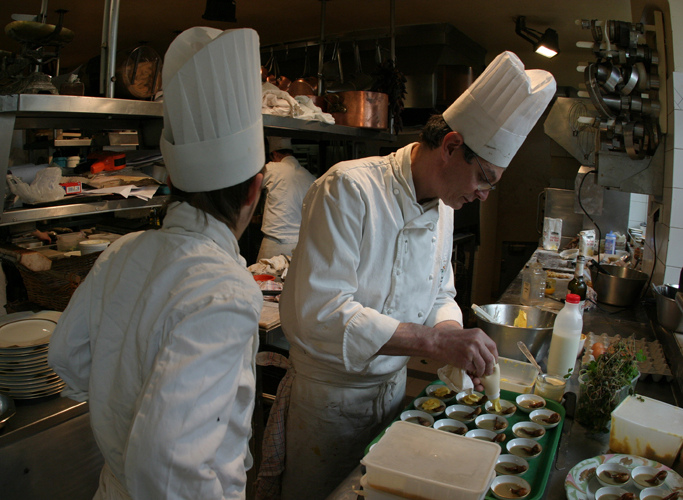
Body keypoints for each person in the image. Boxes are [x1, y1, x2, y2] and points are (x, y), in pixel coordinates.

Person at [278, 51, 556, 500]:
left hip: (390, 395)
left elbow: (440, 289)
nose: (483, 196)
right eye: (483, 179)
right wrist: (433, 343)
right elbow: (320, 313)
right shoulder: (349, 189)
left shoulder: (444, 206)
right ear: (450, 146)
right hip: (330, 405)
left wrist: (450, 333)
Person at [48, 27, 265, 500]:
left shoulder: (123, 250)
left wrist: (121, 394)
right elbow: (166, 471)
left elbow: (65, 356)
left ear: (173, 181)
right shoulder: (228, 290)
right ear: (254, 190)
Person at [256, 137, 315, 262]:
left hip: (274, 244)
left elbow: (251, 185)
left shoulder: (272, 168)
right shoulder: (309, 177)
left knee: (265, 279)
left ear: (275, 154)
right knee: (291, 280)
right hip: (300, 243)